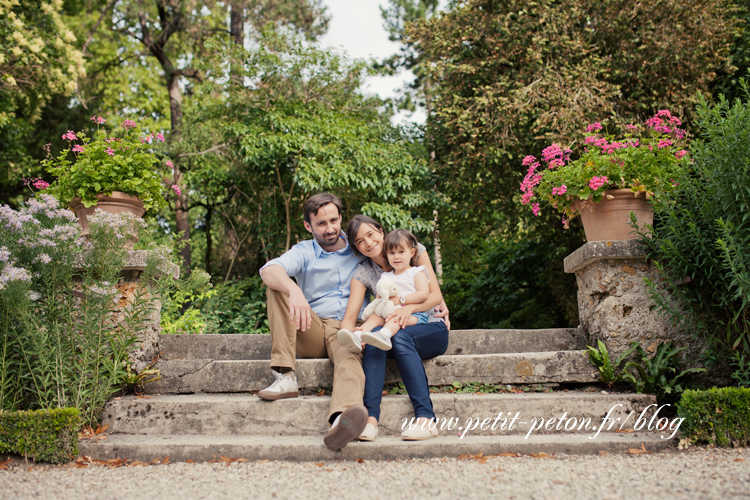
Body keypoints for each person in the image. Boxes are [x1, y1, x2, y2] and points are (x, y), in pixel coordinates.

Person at [257, 192, 368, 451]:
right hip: (313, 327)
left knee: (349, 360)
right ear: (308, 226)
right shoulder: (305, 250)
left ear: (341, 219)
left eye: (333, 221)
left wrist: (434, 298)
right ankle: (285, 375)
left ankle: (341, 420)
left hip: (351, 326)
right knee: (276, 287)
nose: (329, 229)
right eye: (321, 223)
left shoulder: (359, 246)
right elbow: (269, 270)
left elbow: (402, 252)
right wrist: (294, 290)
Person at [338, 215, 450, 442]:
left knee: (398, 339)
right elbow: (351, 316)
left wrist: (407, 308)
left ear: (381, 231)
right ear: (356, 248)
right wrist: (350, 338)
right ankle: (370, 422)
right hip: (393, 328)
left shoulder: (412, 250)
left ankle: (426, 420)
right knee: (373, 340)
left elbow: (435, 296)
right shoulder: (364, 272)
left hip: (428, 325)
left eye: (370, 234)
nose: (368, 243)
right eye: (360, 241)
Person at [339, 229, 431, 352]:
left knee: (395, 318)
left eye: (401, 252)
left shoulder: (416, 272)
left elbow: (424, 294)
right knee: (374, 317)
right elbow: (381, 296)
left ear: (412, 252)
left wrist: (401, 301)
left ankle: (384, 335)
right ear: (387, 255)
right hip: (391, 311)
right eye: (392, 253)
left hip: (415, 314)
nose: (396, 256)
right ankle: (358, 335)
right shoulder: (387, 276)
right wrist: (379, 299)